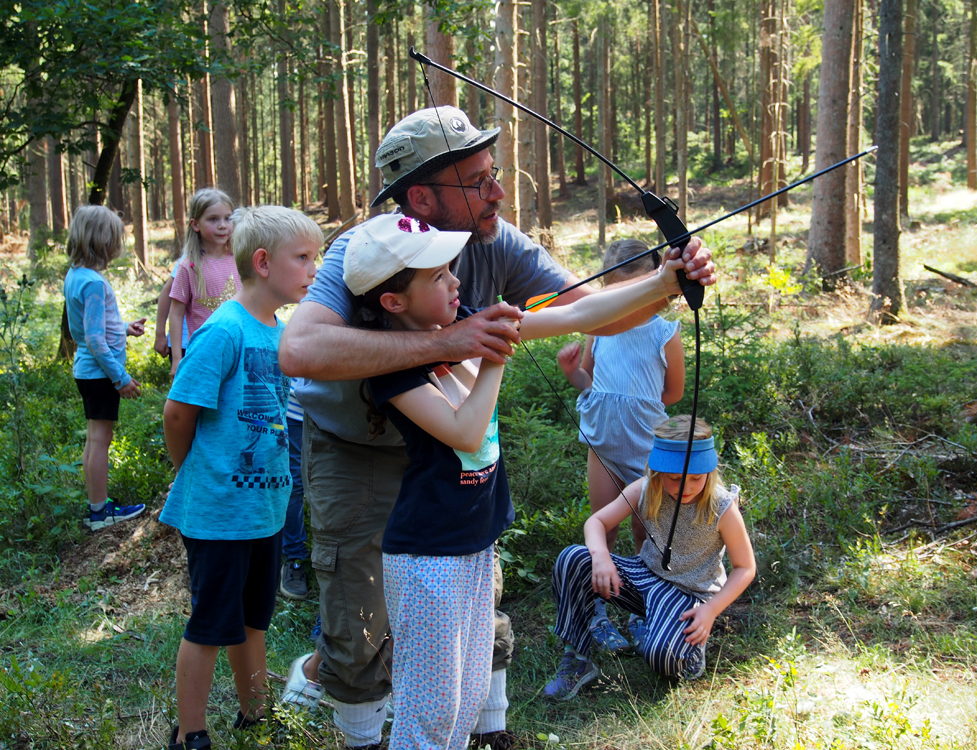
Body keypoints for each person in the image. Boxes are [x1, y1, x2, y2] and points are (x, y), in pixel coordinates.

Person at [278, 106, 717, 750]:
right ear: (422, 195)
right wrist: (453, 343)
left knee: (474, 599)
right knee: (360, 618)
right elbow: (301, 351)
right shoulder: (369, 252)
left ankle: (487, 731)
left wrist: (666, 282)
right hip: (360, 450)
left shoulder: (492, 242)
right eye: (478, 180)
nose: (499, 193)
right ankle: (363, 732)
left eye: (495, 174)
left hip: (454, 457)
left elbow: (588, 313)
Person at [344, 212, 687, 748]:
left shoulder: (470, 325)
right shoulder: (396, 369)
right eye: (437, 277)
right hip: (426, 557)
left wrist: (664, 282)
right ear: (394, 302)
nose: (456, 282)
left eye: (451, 271)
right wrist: (495, 354)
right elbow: (464, 429)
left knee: (466, 692)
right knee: (430, 706)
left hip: (475, 544)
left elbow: (586, 311)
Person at [160, 206, 322, 750]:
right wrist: (194, 474)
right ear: (262, 262)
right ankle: (190, 733)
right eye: (302, 258)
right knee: (211, 624)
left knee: (255, 619)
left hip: (267, 510)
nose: (313, 269)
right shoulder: (224, 331)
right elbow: (178, 413)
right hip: (218, 513)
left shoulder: (281, 331)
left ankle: (256, 713)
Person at [543, 415, 756, 700]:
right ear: (658, 471)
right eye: (675, 478)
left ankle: (686, 653)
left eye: (696, 478)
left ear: (709, 471)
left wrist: (712, 609)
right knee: (573, 558)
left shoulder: (721, 506)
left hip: (689, 594)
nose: (687, 487)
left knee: (662, 658)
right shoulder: (645, 489)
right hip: (644, 576)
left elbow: (745, 567)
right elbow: (596, 523)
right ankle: (578, 659)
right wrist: (601, 557)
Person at [556, 238, 685, 653]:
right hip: (603, 443)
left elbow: (673, 393)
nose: (624, 304)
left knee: (646, 531)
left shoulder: (664, 331)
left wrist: (634, 403)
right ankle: (597, 616)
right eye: (615, 294)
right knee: (604, 525)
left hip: (647, 446)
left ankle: (641, 609)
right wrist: (573, 371)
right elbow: (588, 382)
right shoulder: (600, 329)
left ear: (652, 283)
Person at [63, 205, 147, 531]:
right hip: (99, 374)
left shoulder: (75, 276)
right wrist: (121, 378)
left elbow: (89, 329)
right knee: (100, 439)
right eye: (115, 240)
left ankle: (95, 505)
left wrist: (124, 327)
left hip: (86, 371)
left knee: (94, 438)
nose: (117, 246)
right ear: (103, 242)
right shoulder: (94, 284)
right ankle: (100, 511)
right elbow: (96, 341)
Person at [168, 188, 239, 379]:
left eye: (227, 218)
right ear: (195, 224)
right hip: (203, 354)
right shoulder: (189, 266)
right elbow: (175, 313)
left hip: (239, 351)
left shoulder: (241, 259)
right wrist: (176, 358)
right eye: (213, 219)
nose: (223, 225)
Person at [278, 378, 309, 600]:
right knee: (293, 485)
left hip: (340, 413)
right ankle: (295, 558)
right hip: (294, 411)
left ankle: (338, 565)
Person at [153, 260, 190, 361]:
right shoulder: (190, 258)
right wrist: (160, 334)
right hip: (184, 343)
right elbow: (168, 291)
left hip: (221, 340)